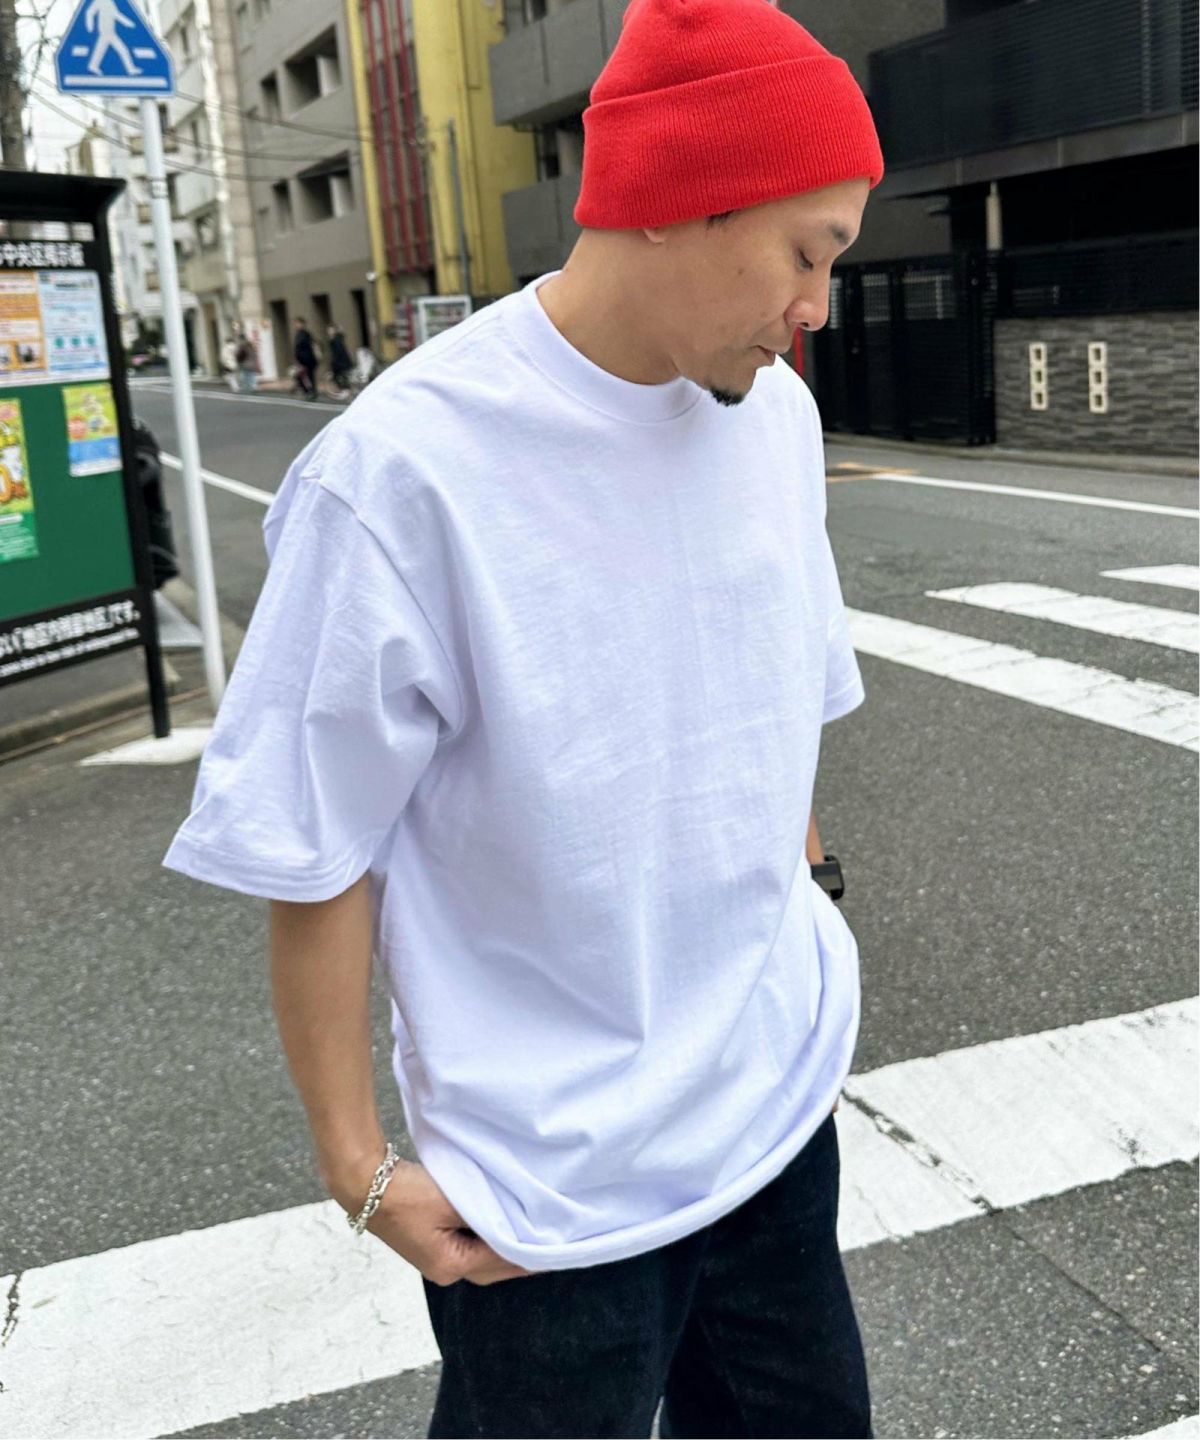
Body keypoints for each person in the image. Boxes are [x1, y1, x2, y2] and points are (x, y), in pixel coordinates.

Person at [161, 1, 884, 1434]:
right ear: (677, 196)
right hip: (549, 1191)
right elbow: (315, 841)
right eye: (809, 253)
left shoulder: (776, 422)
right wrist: (359, 1165)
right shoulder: (405, 472)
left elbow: (782, 698)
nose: (819, 306)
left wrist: (807, 891)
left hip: (775, 1115)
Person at [292, 316, 317, 399]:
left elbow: (301, 347)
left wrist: (299, 358)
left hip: (306, 360)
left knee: (306, 376)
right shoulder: (302, 334)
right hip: (305, 359)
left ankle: (311, 392)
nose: (295, 325)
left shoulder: (303, 334)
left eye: (296, 323)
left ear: (301, 324)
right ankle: (310, 392)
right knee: (304, 377)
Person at [327, 324, 354, 392]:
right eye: (329, 330)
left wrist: (334, 361)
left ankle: (345, 389)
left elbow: (338, 351)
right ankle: (346, 389)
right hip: (341, 361)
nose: (329, 332)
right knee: (342, 376)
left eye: (331, 330)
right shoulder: (337, 338)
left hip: (340, 362)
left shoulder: (336, 340)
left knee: (338, 376)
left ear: (334, 331)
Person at [233, 326, 259, 393]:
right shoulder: (250, 345)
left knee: (246, 375)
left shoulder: (241, 345)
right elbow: (254, 354)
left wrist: (237, 360)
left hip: (245, 363)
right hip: (252, 363)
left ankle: (248, 387)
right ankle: (253, 387)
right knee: (252, 375)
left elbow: (238, 354)